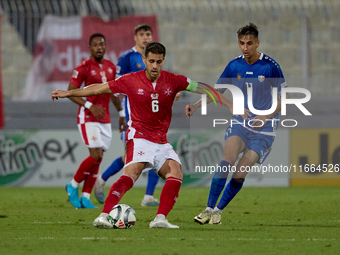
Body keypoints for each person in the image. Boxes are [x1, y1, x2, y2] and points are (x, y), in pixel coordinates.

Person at [51, 42, 230, 228]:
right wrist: (68, 93)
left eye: (158, 62)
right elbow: (97, 88)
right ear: (144, 59)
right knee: (132, 173)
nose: (154, 66)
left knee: (175, 172)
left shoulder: (173, 80)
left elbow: (201, 87)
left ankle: (160, 219)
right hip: (139, 138)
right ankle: (103, 216)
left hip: (161, 141)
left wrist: (227, 102)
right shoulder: (130, 80)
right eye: (151, 61)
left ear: (163, 61)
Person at [187, 23, 288, 225]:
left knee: (239, 173)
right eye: (241, 43)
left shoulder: (270, 66)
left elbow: (284, 98)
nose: (245, 48)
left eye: (249, 43)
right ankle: (208, 209)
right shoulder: (234, 65)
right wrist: (197, 104)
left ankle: (218, 210)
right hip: (241, 123)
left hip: (264, 130)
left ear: (257, 43)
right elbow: (219, 91)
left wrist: (266, 116)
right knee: (226, 161)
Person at [94, 24, 181, 207]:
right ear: (135, 37)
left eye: (148, 34)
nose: (145, 37)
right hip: (133, 117)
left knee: (156, 152)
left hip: (155, 115)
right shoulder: (127, 58)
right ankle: (102, 179)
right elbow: (116, 87)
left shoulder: (155, 58)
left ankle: (148, 195)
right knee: (130, 158)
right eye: (142, 34)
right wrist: (121, 114)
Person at [64, 33, 126, 209]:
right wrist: (89, 106)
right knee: (95, 155)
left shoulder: (110, 67)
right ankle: (73, 185)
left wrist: (121, 114)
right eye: (95, 45)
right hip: (88, 116)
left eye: (102, 44)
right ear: (89, 47)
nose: (99, 47)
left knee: (98, 159)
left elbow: (113, 93)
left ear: (106, 47)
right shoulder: (84, 67)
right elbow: (70, 92)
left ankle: (85, 197)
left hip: (105, 118)